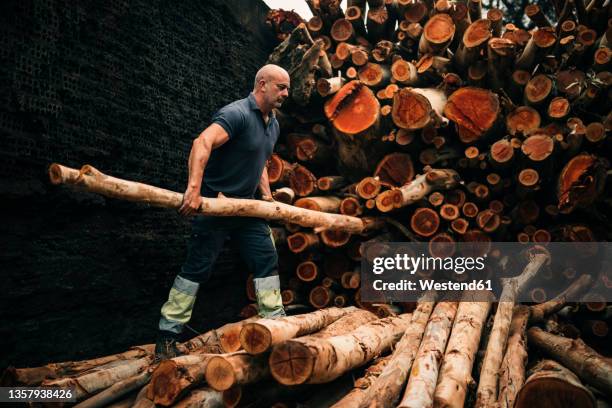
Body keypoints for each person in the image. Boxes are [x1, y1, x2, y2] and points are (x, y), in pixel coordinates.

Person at [155, 64, 290, 361]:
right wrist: (193, 189)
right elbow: (201, 142)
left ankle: (277, 325)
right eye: (281, 87)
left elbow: (261, 162)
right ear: (262, 84)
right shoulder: (237, 114)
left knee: (266, 259)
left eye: (287, 88)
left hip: (246, 210)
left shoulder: (273, 124)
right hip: (215, 206)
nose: (285, 93)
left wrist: (266, 197)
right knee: (197, 268)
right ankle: (167, 335)